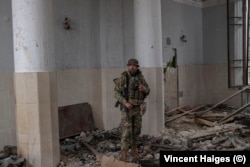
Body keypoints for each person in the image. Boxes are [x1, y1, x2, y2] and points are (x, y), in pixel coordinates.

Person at [114, 58, 150, 162]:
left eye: (134, 65)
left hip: (138, 109)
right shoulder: (124, 76)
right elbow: (116, 92)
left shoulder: (141, 77)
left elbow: (148, 90)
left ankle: (134, 151)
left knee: (136, 131)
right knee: (126, 133)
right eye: (130, 65)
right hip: (127, 109)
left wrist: (144, 89)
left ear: (137, 67)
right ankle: (124, 155)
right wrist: (125, 102)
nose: (132, 67)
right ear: (128, 66)